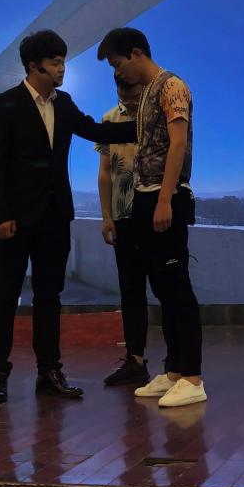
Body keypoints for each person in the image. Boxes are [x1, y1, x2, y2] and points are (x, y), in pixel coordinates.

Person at [0, 29, 136, 406]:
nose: (62, 69)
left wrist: (144, 125)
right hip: (15, 220)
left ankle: (49, 373)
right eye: (55, 63)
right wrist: (1, 215)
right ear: (34, 65)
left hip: (55, 217)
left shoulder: (64, 103)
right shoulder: (5, 103)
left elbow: (96, 130)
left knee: (49, 296)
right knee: (5, 296)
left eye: (63, 62)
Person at [96, 27, 205, 407]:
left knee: (177, 289)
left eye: (118, 63)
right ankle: (174, 371)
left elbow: (178, 143)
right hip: (144, 198)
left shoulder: (172, 86)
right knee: (162, 289)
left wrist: (164, 199)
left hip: (165, 197)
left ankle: (192, 377)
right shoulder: (146, 96)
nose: (118, 72)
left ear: (136, 53)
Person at [96, 75, 150, 388]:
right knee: (130, 290)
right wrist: (107, 216)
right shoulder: (109, 119)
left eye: (135, 96)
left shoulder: (156, 116)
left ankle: (178, 365)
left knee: (167, 287)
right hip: (123, 217)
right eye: (123, 95)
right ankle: (135, 360)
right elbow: (105, 173)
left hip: (154, 212)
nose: (128, 101)